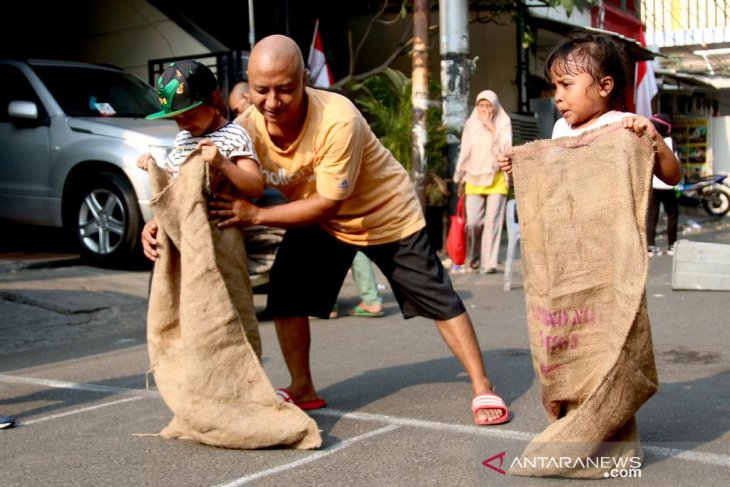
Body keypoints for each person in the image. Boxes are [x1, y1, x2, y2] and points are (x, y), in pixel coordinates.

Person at [142, 35, 509, 425]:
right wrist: (160, 221)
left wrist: (254, 215)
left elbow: (328, 202)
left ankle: (482, 386)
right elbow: (206, 184)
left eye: (284, 89)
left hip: (383, 213)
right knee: (286, 294)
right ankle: (303, 388)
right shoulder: (246, 127)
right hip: (316, 217)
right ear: (248, 85)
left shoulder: (338, 118)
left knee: (439, 298)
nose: (272, 102)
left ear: (304, 77)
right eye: (261, 90)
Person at [138, 60, 263, 203]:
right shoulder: (182, 139)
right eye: (176, 119)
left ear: (214, 99)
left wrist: (223, 163)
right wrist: (154, 168)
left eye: (190, 115)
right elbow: (175, 181)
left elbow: (256, 188)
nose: (183, 125)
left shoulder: (234, 135)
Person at [453, 90, 512, 274]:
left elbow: (505, 151)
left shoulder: (503, 122)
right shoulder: (471, 124)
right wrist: (459, 175)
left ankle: (489, 262)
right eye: (481, 106)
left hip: (497, 179)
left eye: (488, 106)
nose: (484, 110)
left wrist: (492, 128)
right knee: (473, 223)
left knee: (492, 223)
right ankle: (475, 255)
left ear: (494, 107)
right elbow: (465, 152)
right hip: (473, 177)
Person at [647, 113, 679, 257]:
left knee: (652, 216)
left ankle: (650, 246)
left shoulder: (648, 140)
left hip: (653, 185)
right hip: (668, 186)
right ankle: (672, 245)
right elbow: (676, 163)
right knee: (672, 214)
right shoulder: (671, 142)